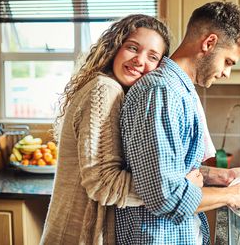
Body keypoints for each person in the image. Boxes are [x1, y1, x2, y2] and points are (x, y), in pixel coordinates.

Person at [117, 1, 240, 244]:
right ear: (209, 43)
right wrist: (230, 196)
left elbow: (171, 170)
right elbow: (166, 197)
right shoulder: (160, 93)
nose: (227, 73)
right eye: (228, 61)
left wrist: (224, 176)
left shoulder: (179, 90)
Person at [40, 14, 177, 245]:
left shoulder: (115, 90)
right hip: (75, 237)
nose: (139, 60)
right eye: (133, 48)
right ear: (115, 46)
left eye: (152, 56)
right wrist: (172, 189)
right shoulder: (105, 89)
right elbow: (104, 184)